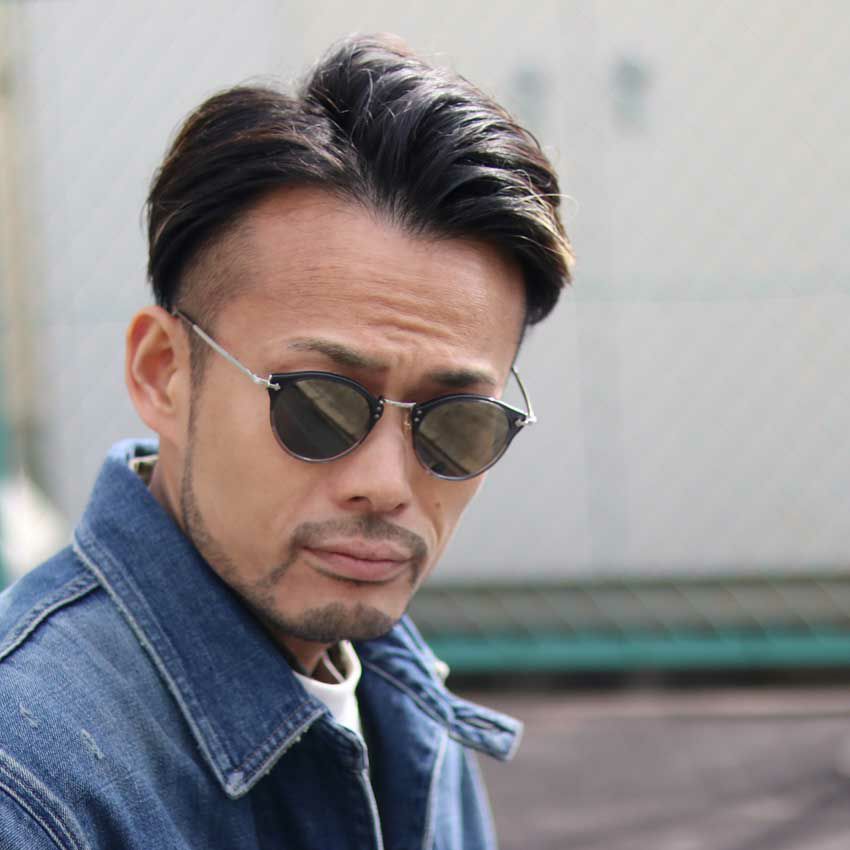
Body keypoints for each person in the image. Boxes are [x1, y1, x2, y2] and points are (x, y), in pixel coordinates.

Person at [0, 34, 572, 850]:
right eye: (320, 405)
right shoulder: (31, 782)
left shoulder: (404, 702)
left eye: (456, 421)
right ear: (165, 373)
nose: (386, 483)